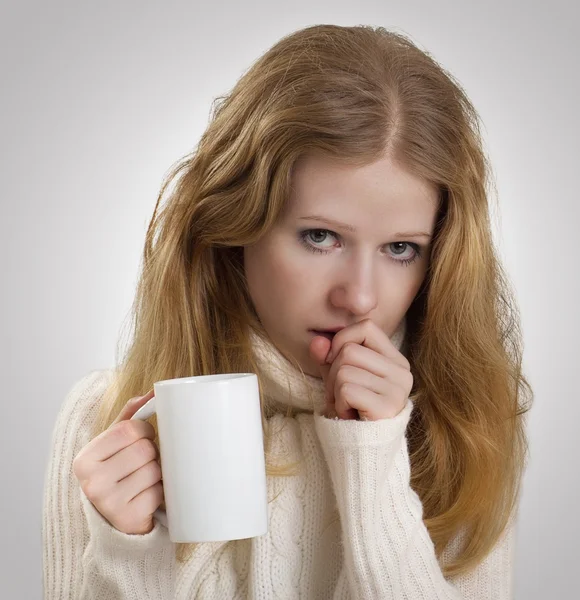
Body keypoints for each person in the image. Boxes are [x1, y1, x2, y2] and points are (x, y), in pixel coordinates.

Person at [42, 23, 533, 599]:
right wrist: (131, 555)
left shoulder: (464, 427)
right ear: (234, 226)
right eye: (321, 237)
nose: (360, 297)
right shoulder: (100, 427)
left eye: (401, 248)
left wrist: (374, 471)